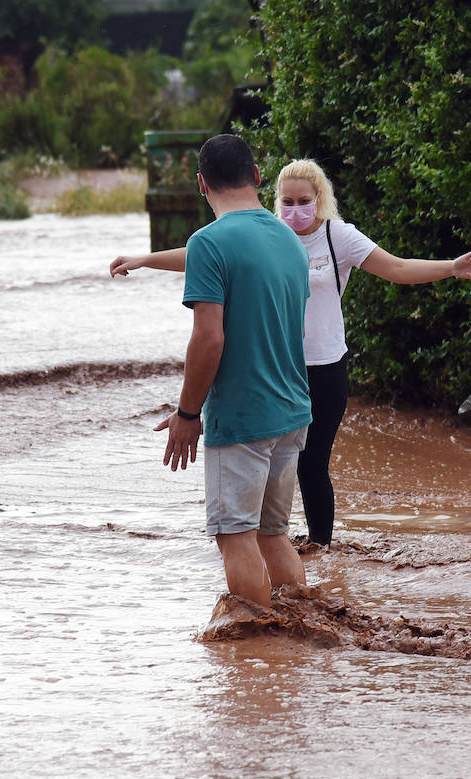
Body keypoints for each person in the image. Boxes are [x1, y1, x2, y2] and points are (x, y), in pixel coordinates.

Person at [112, 158, 471, 548]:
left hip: (325, 367)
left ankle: (319, 547)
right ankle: (266, 540)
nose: (294, 209)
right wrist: (146, 261)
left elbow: (397, 267)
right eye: (286, 201)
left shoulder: (338, 237)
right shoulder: (271, 233)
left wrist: (451, 267)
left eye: (302, 201)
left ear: (319, 199)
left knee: (312, 464)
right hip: (281, 365)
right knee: (274, 458)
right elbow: (204, 256)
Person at [153, 133, 312, 606]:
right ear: (259, 177)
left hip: (243, 419)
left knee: (236, 536)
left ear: (201, 185)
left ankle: (262, 650)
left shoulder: (208, 243)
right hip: (293, 411)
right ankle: (301, 630)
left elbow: (209, 338)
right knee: (273, 534)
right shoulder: (289, 238)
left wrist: (187, 413)